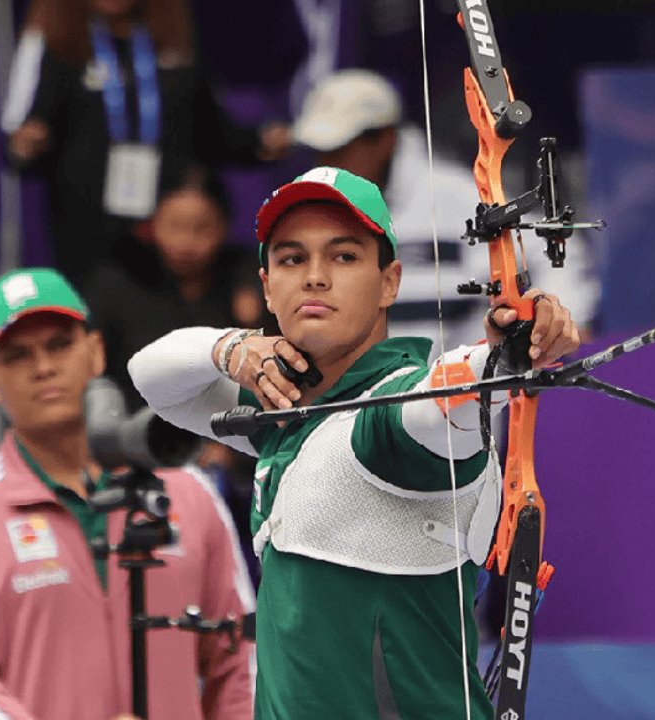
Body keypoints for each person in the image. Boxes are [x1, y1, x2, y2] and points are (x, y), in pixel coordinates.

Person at [128, 166, 581, 719]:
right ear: (267, 286)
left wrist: (507, 354)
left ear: (390, 281)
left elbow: (442, 401)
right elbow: (151, 378)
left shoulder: (392, 423)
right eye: (292, 258)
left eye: (344, 257)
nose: (315, 277)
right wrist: (232, 347)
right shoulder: (287, 414)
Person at [0, 268, 255, 720]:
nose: (44, 367)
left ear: (95, 352)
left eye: (60, 345)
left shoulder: (188, 492)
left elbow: (242, 657)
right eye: (18, 355)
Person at [291, 69, 596, 355]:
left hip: (459, 395)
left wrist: (559, 319)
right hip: (365, 400)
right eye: (320, 150)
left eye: (339, 148)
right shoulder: (315, 209)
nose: (326, 160)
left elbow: (550, 248)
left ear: (385, 139)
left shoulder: (456, 195)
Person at [3, 0, 291, 284]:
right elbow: (28, 134)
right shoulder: (56, 45)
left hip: (169, 236)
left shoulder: (176, 42)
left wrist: (259, 142)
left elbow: (211, 132)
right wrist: (24, 146)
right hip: (85, 235)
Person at [85, 162, 264, 412]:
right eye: (175, 226)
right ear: (152, 224)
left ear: (225, 227)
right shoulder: (117, 284)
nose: (187, 242)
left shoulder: (248, 282)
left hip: (230, 433)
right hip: (137, 433)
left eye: (201, 228)